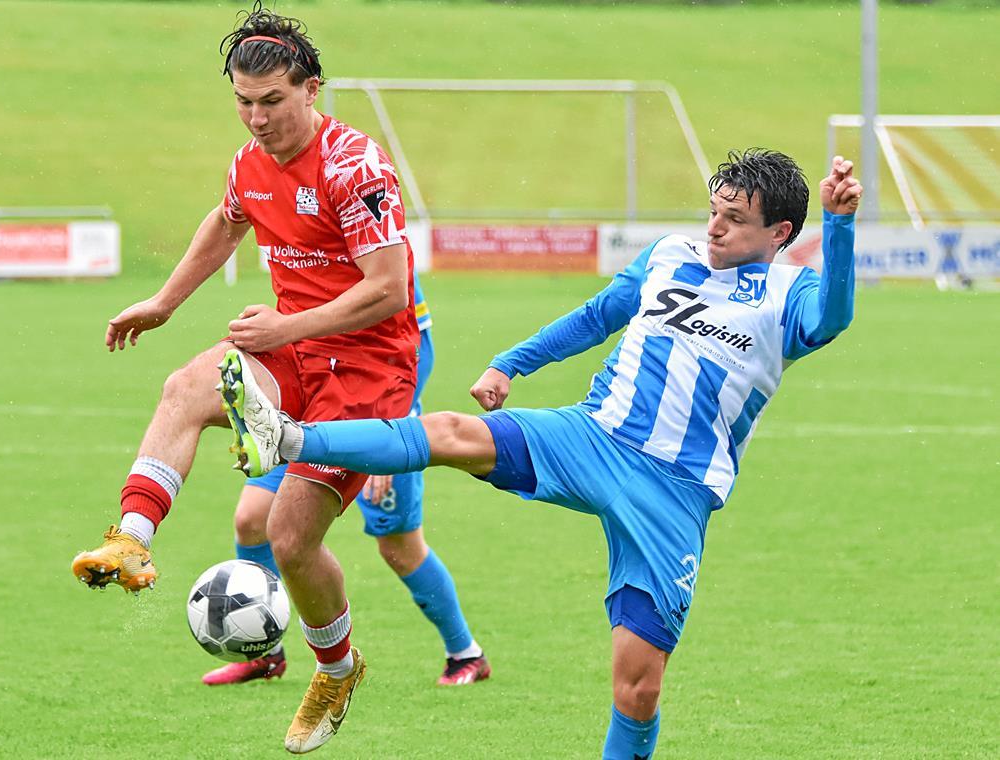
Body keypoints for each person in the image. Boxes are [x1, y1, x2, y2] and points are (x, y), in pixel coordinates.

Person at [222, 150, 862, 759]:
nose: (715, 227)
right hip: (593, 437)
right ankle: (290, 437)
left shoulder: (789, 294)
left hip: (674, 492)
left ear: (779, 232)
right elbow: (596, 317)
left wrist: (837, 226)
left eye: (735, 219)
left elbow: (832, 320)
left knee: (637, 687)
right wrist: (511, 364)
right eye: (714, 210)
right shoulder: (671, 255)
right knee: (450, 434)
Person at [71, 6, 427, 753]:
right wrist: (164, 302)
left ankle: (336, 667)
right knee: (184, 387)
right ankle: (132, 540)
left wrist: (285, 326)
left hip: (365, 371)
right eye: (243, 101)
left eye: (272, 102)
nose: (257, 118)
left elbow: (391, 287)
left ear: (312, 91)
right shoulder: (249, 161)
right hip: (291, 349)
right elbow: (228, 218)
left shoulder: (354, 165)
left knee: (288, 537)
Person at [202, 275, 490, 688]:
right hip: (311, 423)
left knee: (400, 550)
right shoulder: (303, 247)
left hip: (382, 424)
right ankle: (264, 652)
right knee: (251, 520)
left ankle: (466, 653)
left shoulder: (383, 255)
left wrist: (389, 446)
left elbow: (418, 356)